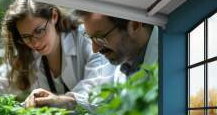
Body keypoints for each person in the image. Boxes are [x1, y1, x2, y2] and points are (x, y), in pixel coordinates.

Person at [0, 0, 114, 109]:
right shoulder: (26, 53)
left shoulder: (85, 37)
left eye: (39, 31)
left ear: (54, 16)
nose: (35, 43)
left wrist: (62, 101)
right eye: (26, 36)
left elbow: (100, 91)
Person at [26, 11, 158, 108]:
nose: (95, 49)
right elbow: (100, 103)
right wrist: (60, 101)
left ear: (134, 25)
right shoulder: (121, 61)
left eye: (100, 38)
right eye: (90, 38)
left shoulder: (168, 63)